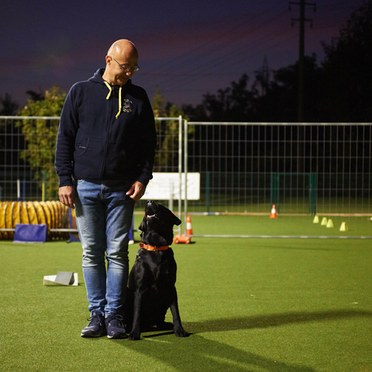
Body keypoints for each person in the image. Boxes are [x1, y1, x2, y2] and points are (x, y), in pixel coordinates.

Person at [55, 39, 156, 339]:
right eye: (126, 67)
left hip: (122, 190)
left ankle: (114, 316)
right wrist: (65, 179)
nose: (130, 73)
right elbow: (65, 138)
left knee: (117, 252)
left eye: (134, 67)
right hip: (84, 187)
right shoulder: (80, 92)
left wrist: (142, 178)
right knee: (91, 253)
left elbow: (149, 144)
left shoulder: (138, 97)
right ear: (108, 60)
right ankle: (95, 314)